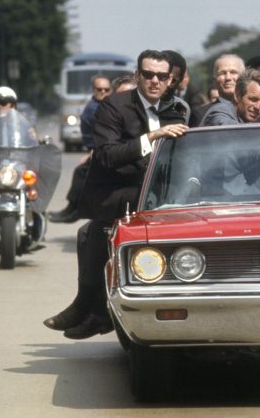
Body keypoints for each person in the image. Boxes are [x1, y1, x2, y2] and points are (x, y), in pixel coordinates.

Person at [43, 49, 190, 340]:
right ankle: (89, 304)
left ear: (170, 79)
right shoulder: (114, 106)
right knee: (90, 233)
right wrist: (151, 138)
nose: (155, 81)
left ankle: (95, 310)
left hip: (169, 195)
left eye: (162, 76)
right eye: (148, 75)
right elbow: (108, 155)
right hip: (122, 191)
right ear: (138, 76)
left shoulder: (178, 109)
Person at [49, 75, 111, 224]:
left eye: (106, 89)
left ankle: (76, 209)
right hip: (98, 149)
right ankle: (72, 208)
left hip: (104, 151)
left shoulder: (107, 107)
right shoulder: (95, 107)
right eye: (99, 89)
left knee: (82, 172)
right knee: (82, 171)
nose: (103, 92)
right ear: (93, 90)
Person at [194, 54, 245, 127]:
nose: (228, 78)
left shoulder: (253, 108)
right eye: (222, 73)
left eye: (233, 72)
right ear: (215, 80)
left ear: (244, 77)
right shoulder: (200, 113)